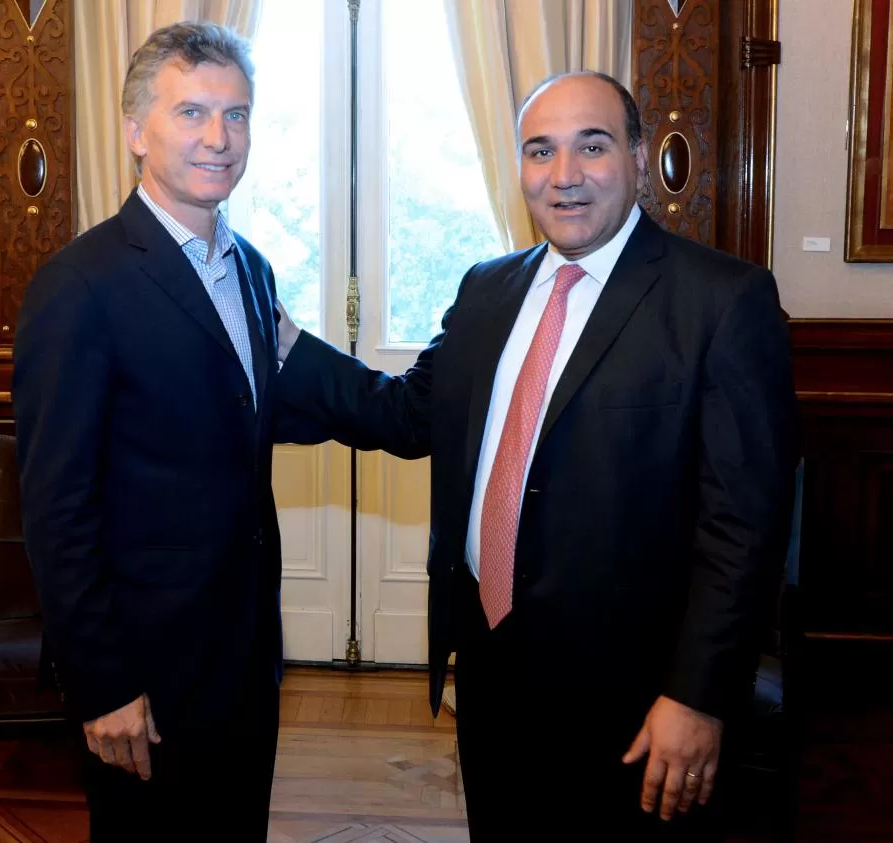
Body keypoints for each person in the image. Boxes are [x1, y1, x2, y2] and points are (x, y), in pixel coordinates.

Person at [274, 71, 798, 840]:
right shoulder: (487, 290)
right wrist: (282, 340)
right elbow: (407, 413)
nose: (565, 176)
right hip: (490, 667)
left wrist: (695, 695)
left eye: (591, 146)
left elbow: (744, 528)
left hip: (635, 694)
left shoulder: (723, 300)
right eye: (539, 150)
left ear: (639, 155)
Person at [12, 21, 326, 840]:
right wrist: (104, 682)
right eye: (192, 113)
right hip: (143, 676)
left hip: (245, 656)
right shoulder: (78, 285)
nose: (220, 138)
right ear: (133, 130)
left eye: (237, 114)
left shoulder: (250, 268)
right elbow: (55, 509)